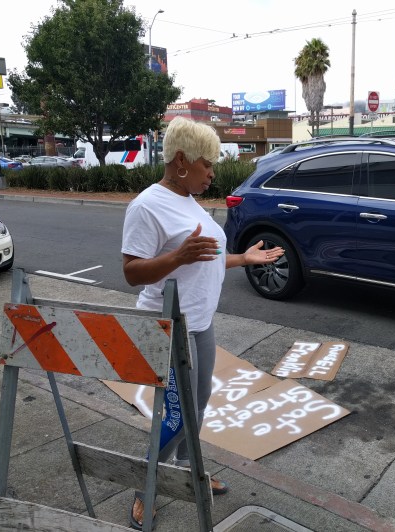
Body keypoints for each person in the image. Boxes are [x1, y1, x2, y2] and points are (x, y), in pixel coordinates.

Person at [121, 116, 283, 529]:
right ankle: (147, 487)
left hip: (199, 322)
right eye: (206, 164)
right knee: (177, 417)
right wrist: (177, 257)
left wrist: (243, 259)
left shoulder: (188, 202)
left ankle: (187, 474)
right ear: (181, 161)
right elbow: (132, 271)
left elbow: (204, 256)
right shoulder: (146, 205)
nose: (212, 172)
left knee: (200, 403)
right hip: (167, 325)